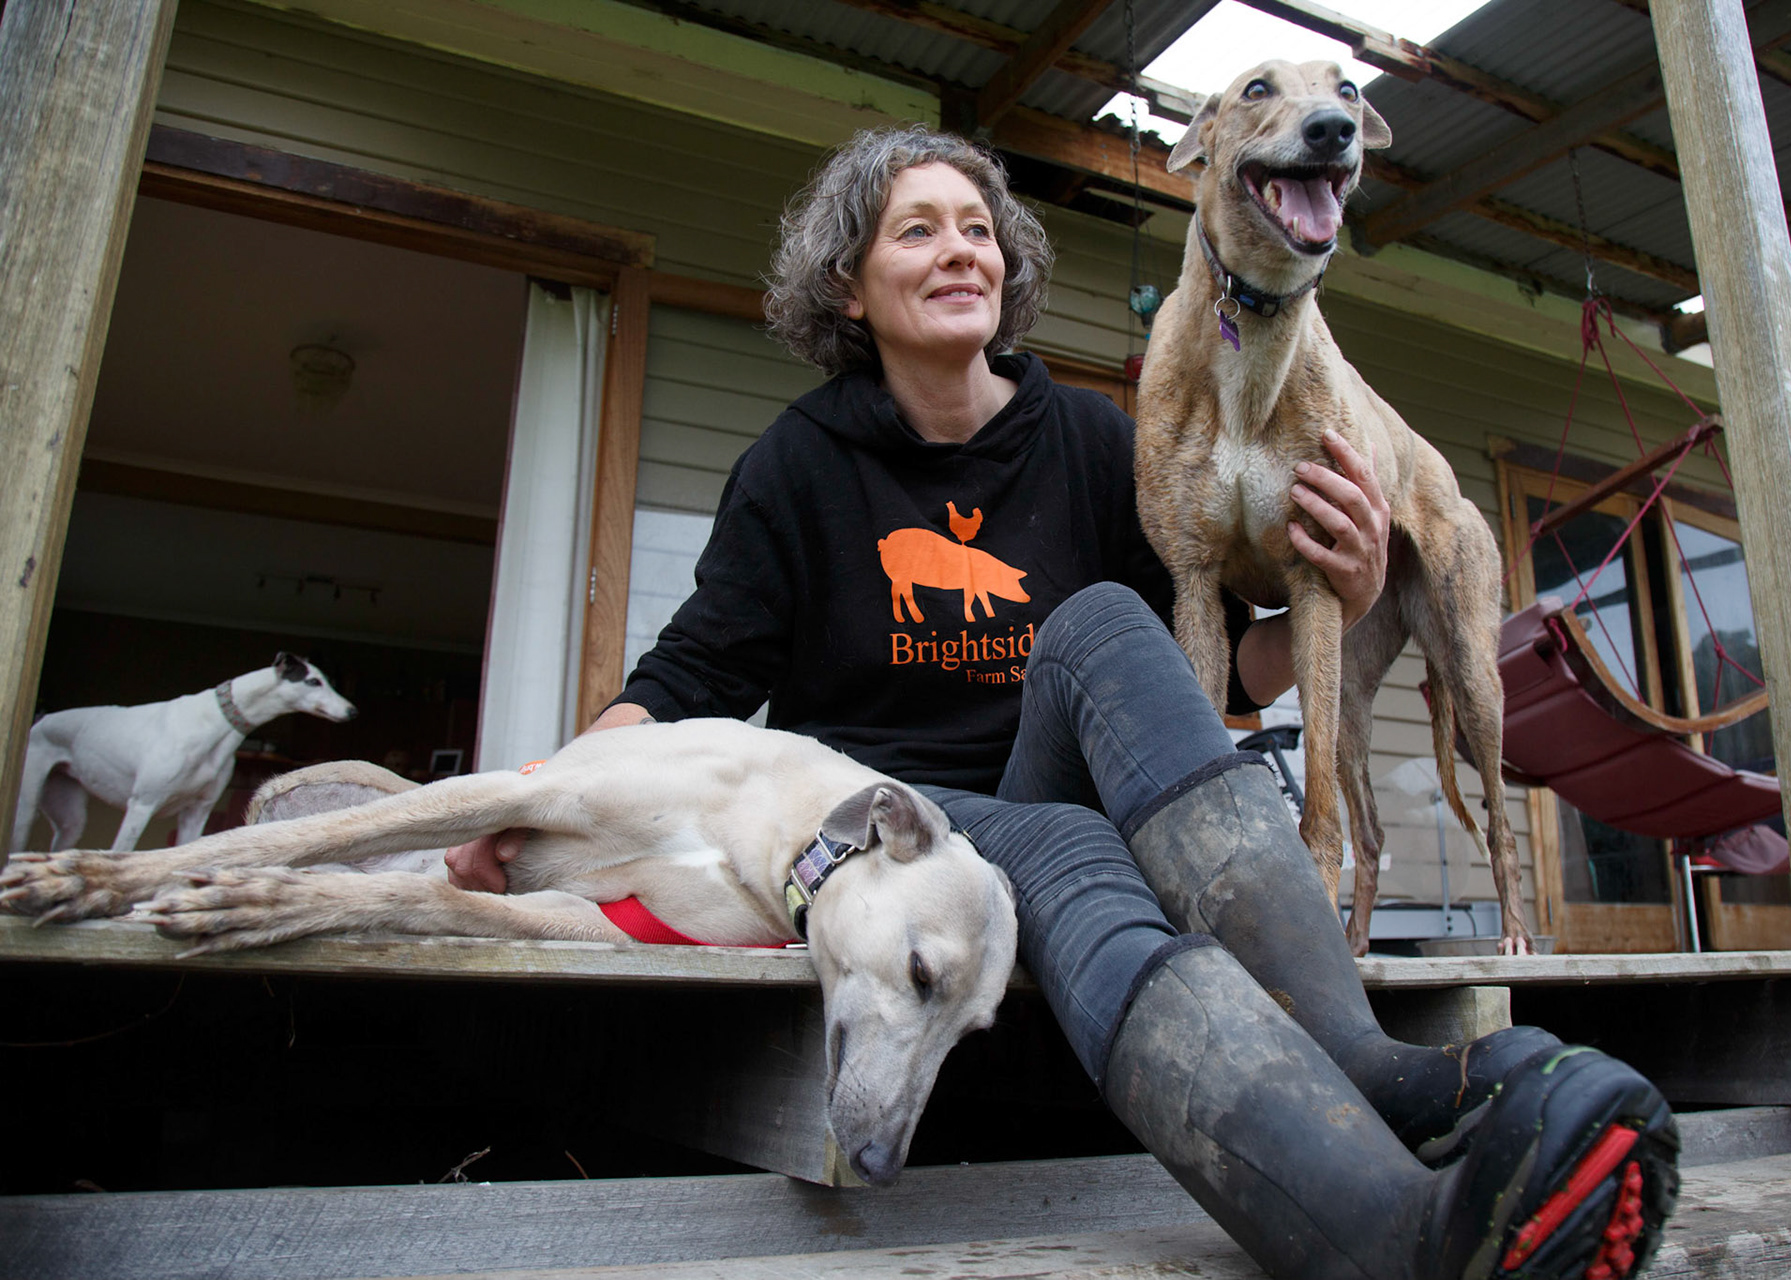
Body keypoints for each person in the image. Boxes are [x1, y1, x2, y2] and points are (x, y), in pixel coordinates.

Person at [450, 127, 1677, 1279]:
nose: (960, 248)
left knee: (1101, 624)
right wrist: (526, 798)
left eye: (977, 227)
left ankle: (1367, 1065)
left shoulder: (1090, 440)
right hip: (887, 828)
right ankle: (1392, 1229)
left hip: (1058, 798)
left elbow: (1214, 684)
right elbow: (682, 685)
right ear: (847, 286)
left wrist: (1343, 606)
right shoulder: (795, 466)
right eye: (915, 231)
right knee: (1065, 841)